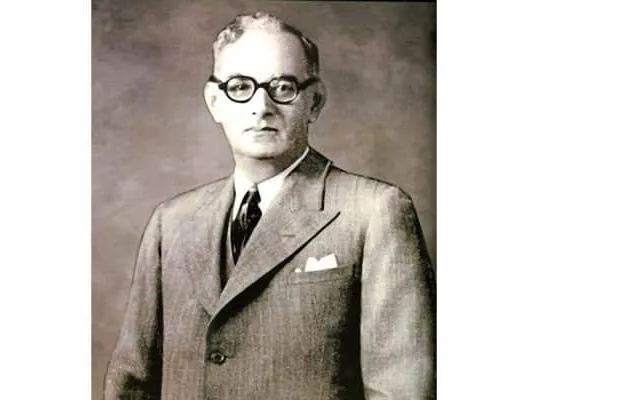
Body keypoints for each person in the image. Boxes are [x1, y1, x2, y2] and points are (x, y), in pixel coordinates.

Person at [104, 11, 435, 400]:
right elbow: (132, 382)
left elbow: (401, 389)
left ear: (314, 102)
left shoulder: (375, 211)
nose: (261, 106)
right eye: (240, 87)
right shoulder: (170, 223)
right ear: (215, 102)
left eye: (283, 87)